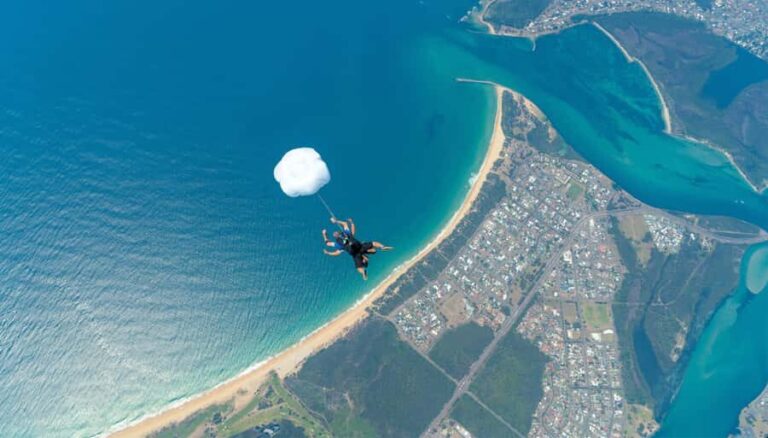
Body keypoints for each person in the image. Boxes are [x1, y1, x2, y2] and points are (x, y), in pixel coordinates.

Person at [322, 217, 392, 280]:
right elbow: (345, 224)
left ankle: (363, 271)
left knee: (359, 267)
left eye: (335, 233)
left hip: (355, 252)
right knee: (373, 244)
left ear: (337, 235)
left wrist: (325, 235)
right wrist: (336, 221)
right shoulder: (346, 234)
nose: (334, 233)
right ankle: (382, 247)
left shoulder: (340, 242)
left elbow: (329, 245)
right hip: (358, 248)